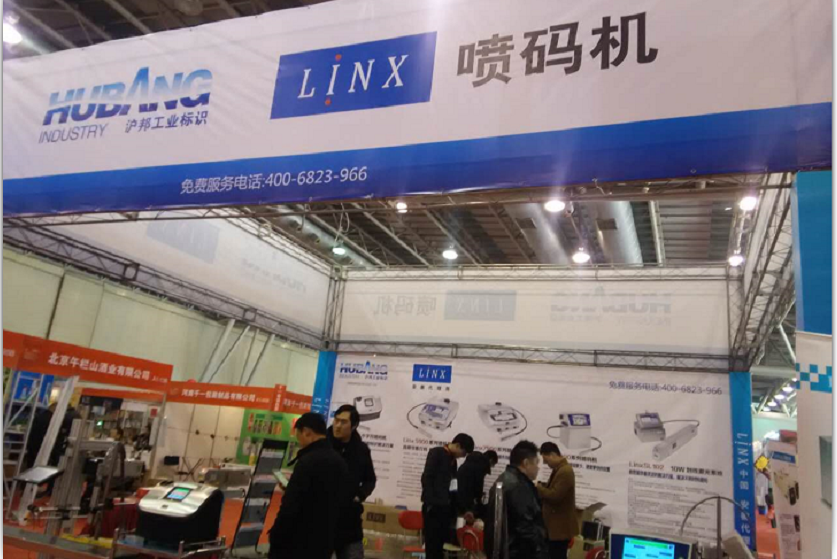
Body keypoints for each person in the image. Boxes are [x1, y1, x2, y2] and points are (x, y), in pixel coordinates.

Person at [269, 413, 350, 559]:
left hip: (297, 542)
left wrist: (276, 534)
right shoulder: (340, 461)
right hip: (325, 541)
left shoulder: (307, 461)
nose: (299, 441)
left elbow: (291, 505)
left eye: (298, 435)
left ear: (307, 432)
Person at [327, 405, 377, 559]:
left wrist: (359, 496)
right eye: (336, 420)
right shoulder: (323, 446)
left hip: (349, 520)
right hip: (322, 519)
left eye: (343, 422)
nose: (337, 425)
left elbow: (370, 479)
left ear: (354, 426)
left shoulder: (361, 450)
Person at [485, 440, 549, 559]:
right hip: (518, 552)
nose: (538, 468)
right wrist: (540, 550)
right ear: (526, 463)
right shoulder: (518, 486)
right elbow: (525, 527)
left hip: (503, 550)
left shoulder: (502, 480)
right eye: (536, 463)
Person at [421, 433, 475, 559]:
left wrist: (462, 510)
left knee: (440, 547)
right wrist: (432, 503)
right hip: (433, 509)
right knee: (432, 547)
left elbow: (453, 488)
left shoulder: (453, 462)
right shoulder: (436, 453)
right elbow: (427, 479)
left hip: (445, 511)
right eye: (464, 452)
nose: (463, 456)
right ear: (458, 445)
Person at [538, 442, 579, 559]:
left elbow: (555, 495)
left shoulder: (565, 471)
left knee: (557, 555)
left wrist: (538, 488)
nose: (546, 464)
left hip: (560, 529)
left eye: (546, 460)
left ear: (552, 454)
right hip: (555, 528)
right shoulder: (559, 469)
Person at [456, 449, 499, 519]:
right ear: (491, 460)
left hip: (459, 499)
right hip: (468, 503)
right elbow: (478, 486)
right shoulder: (481, 466)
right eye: (492, 464)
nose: (491, 467)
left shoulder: (469, 463)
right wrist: (478, 501)